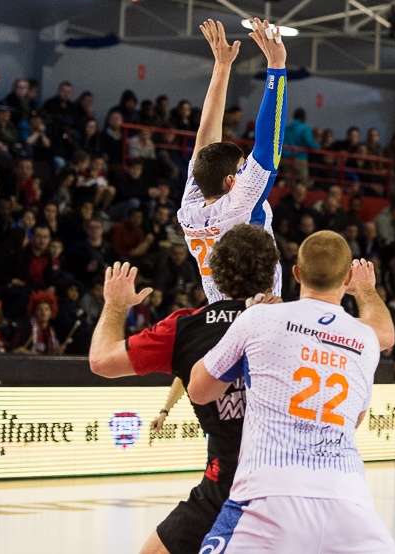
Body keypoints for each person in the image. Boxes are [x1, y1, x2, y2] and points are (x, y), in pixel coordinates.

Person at [187, 231, 395, 553]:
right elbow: (354, 418)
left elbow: (199, 391)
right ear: (347, 278)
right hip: (347, 499)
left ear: (296, 273)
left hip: (267, 494)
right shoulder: (364, 339)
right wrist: (366, 289)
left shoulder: (259, 317)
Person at [88, 224, 281, 554]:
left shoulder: (185, 327)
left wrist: (116, 305)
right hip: (292, 485)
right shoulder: (293, 321)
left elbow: (102, 360)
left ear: (215, 274)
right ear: (271, 275)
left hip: (226, 485)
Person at [177, 18, 288, 304]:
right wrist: (276, 67)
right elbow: (268, 143)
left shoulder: (190, 207)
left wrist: (222, 66)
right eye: (241, 168)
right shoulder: (239, 203)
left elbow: (205, 140)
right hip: (259, 310)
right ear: (230, 181)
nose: (245, 171)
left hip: (219, 312)